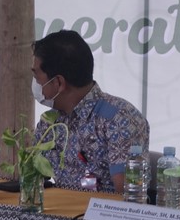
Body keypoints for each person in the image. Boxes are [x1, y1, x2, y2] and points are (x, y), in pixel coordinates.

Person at [32, 30, 149, 193]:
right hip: (60, 207)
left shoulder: (120, 119)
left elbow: (128, 194)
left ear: (58, 82)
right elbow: (33, 174)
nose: (35, 84)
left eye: (37, 78)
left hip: (101, 209)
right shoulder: (51, 121)